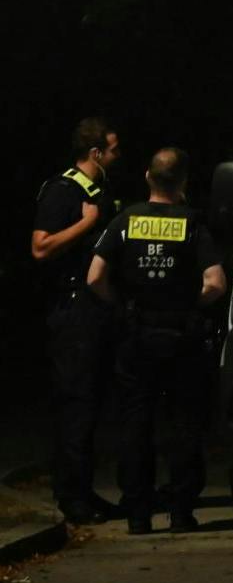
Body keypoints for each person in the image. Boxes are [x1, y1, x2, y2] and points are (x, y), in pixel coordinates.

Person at [87, 148, 226, 534]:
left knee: (136, 423)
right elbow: (215, 283)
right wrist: (185, 304)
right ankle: (181, 511)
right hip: (181, 338)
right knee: (183, 423)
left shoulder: (125, 220)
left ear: (148, 176)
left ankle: (137, 513)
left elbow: (95, 278)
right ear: (183, 182)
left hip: (137, 335)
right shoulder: (193, 223)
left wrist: (124, 305)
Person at [29, 116, 125, 524]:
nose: (119, 155)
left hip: (97, 309)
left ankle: (83, 489)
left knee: (91, 404)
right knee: (75, 404)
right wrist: (85, 223)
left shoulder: (101, 190)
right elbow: (40, 247)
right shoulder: (63, 190)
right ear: (95, 153)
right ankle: (71, 497)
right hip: (73, 311)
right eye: (114, 148)